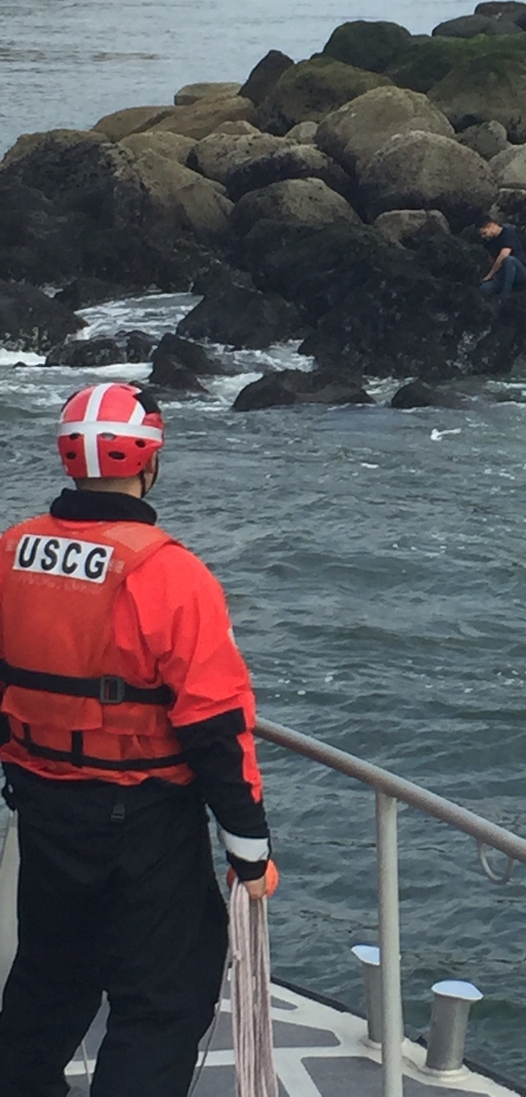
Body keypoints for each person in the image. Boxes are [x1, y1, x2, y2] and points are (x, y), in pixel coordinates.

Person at [0, 382, 274, 1097]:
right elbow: (217, 725)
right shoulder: (170, 574)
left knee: (47, 983)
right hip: (144, 824)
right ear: (149, 466)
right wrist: (250, 851)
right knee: (163, 1001)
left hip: (43, 812)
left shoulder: (12, 553)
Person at [477, 215, 526, 300]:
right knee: (484, 288)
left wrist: (490, 274)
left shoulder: (508, 233)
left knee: (509, 260)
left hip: (518, 271)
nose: (483, 236)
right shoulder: (489, 241)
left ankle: (505, 294)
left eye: (484, 233)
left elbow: (503, 255)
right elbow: (492, 258)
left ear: (491, 226)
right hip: (502, 274)